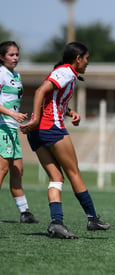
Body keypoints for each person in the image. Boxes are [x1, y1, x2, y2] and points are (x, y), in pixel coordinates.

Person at [20, 42, 110, 239]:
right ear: (78, 58)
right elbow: (40, 91)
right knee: (73, 172)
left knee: (56, 178)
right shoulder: (66, 71)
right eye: (86, 59)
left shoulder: (66, 73)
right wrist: (35, 119)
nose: (87, 63)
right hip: (50, 127)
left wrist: (69, 112)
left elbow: (52, 99)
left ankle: (56, 223)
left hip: (38, 132)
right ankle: (92, 218)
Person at [0, 41, 39, 223]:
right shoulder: (0, 73)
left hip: (12, 128)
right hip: (2, 127)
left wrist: (20, 118)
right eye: (11, 55)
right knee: (2, 170)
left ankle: (24, 212)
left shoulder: (16, 75)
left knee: (18, 170)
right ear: (1, 57)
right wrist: (12, 114)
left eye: (17, 54)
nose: (15, 57)